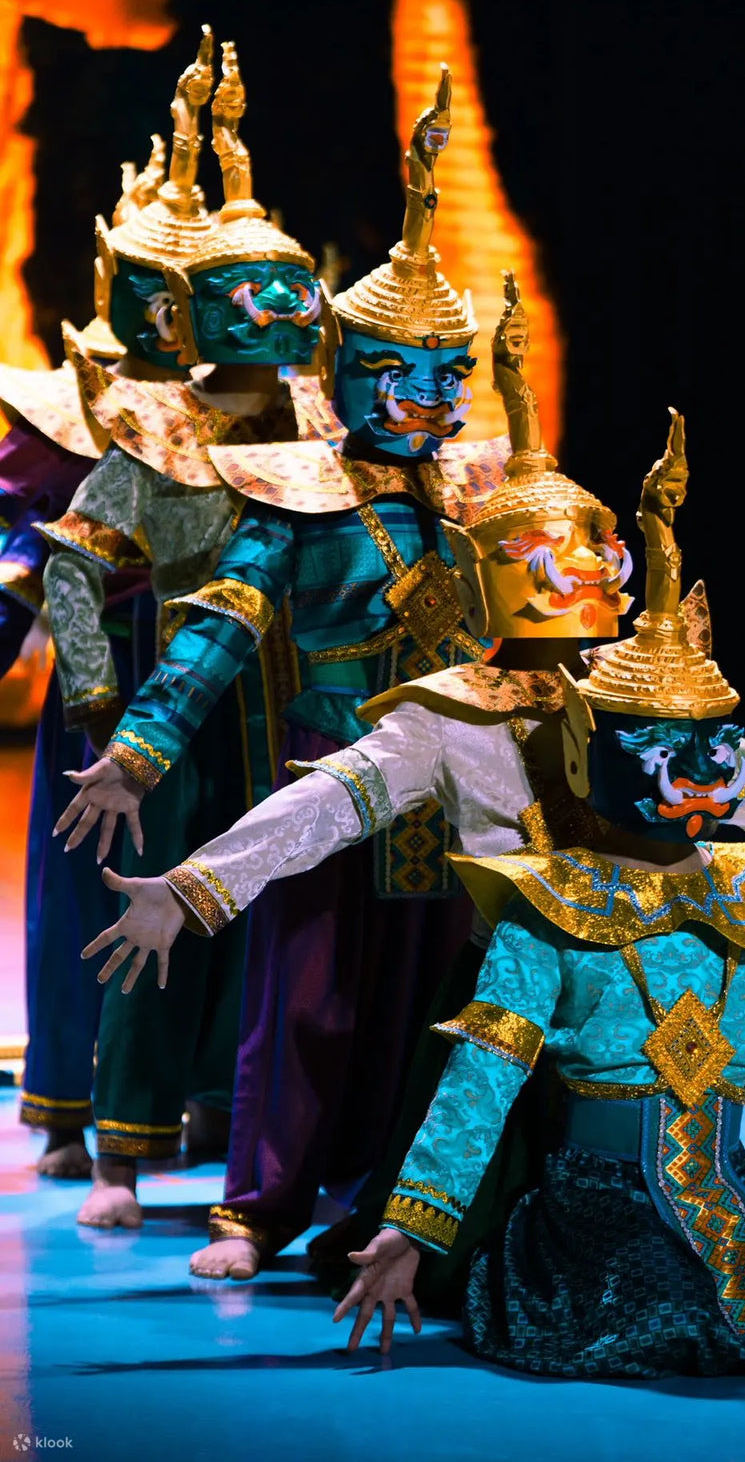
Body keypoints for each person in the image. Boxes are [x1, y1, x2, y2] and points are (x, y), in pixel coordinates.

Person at [83, 389, 745, 1306]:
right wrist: (198, 883)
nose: (584, 575)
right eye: (556, 559)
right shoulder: (448, 717)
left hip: (635, 997)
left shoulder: (640, 685)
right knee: (486, 1238)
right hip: (520, 985)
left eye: (593, 554)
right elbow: (324, 802)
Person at [331, 415, 745, 1371]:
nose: (702, 776)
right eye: (666, 752)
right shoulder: (548, 909)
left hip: (734, 1183)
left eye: (718, 750)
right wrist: (414, 1231)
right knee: (662, 1315)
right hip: (596, 1203)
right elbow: (478, 1088)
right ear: (588, 759)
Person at [62, 65, 505, 1252]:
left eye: (448, 376)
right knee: (302, 994)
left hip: (450, 784)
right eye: (401, 374)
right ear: (354, 374)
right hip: (327, 765)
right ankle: (256, 1207)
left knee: (434, 1003)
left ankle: (392, 1209)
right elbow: (216, 625)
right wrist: (134, 749)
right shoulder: (289, 493)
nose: (429, 397)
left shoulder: (470, 495)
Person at [42, 31, 327, 1226]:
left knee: (289, 933)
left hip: (308, 714)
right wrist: (110, 710)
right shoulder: (162, 429)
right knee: (159, 919)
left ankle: (243, 1122)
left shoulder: (329, 425)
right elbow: (71, 567)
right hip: (183, 714)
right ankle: (119, 1152)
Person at [0, 133, 181, 1177]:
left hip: (224, 692)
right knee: (82, 887)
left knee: (211, 890)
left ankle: (192, 1105)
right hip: (98, 686)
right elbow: (25, 563)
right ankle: (69, 1109)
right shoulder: (60, 417)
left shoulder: (251, 411)